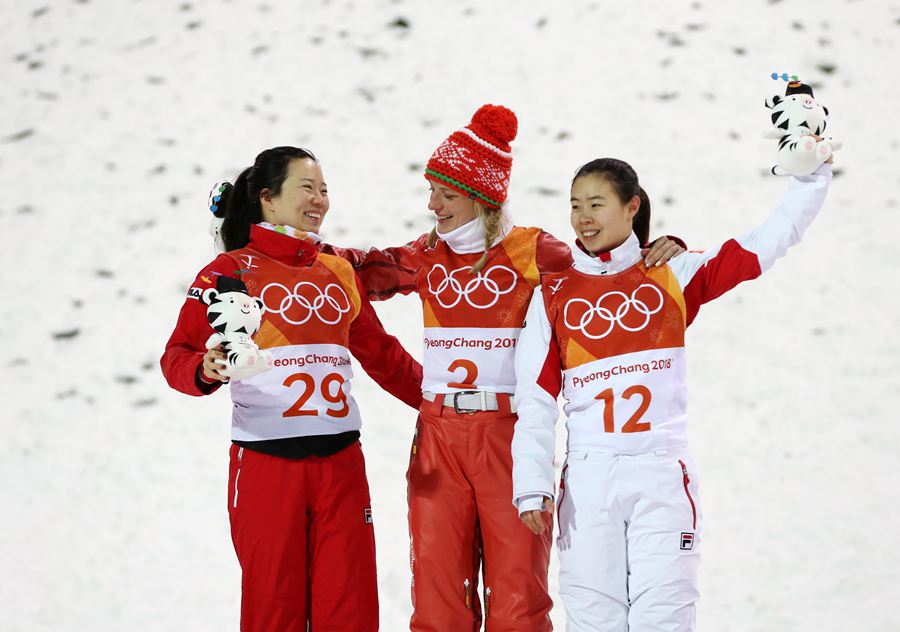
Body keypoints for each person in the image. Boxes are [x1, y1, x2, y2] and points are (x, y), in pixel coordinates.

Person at [322, 105, 684, 631]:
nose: (432, 205)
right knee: (438, 597)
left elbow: (601, 265)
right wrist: (291, 250)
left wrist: (654, 248)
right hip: (439, 437)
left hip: (508, 435)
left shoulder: (535, 250)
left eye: (445, 193)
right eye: (431, 192)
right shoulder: (425, 255)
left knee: (519, 597)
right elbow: (351, 273)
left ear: (480, 196)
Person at [511, 154, 833, 631]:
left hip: (659, 472)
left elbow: (760, 247)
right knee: (592, 621)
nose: (583, 217)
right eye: (576, 205)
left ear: (631, 207)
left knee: (663, 618)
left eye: (597, 204)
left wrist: (811, 178)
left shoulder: (672, 273)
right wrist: (531, 484)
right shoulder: (553, 294)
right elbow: (534, 399)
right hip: (588, 478)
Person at [160, 146, 423, 632]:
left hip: (342, 464)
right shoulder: (228, 272)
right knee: (274, 612)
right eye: (307, 187)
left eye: (325, 190)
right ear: (267, 198)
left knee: (350, 608)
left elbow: (383, 356)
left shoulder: (337, 270)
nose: (320, 200)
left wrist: (441, 403)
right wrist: (207, 368)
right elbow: (176, 356)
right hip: (266, 466)